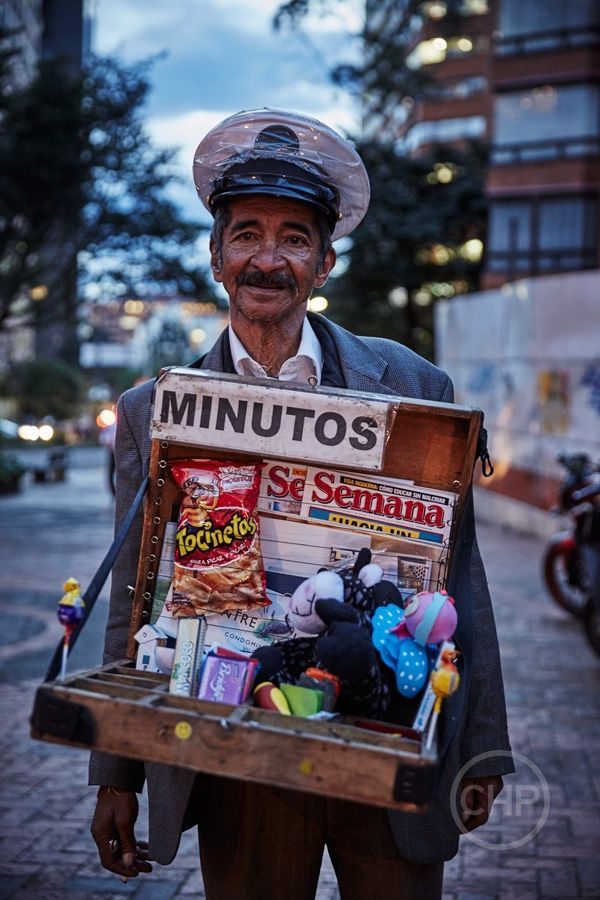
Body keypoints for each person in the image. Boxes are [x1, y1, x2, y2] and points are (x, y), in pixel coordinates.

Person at [89, 109, 513, 900]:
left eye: (294, 238)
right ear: (216, 258)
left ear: (323, 262)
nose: (267, 258)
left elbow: (462, 581)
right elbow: (133, 588)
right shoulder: (156, 409)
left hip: (386, 739)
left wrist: (478, 750)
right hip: (233, 743)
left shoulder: (416, 388)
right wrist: (115, 772)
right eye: (246, 234)